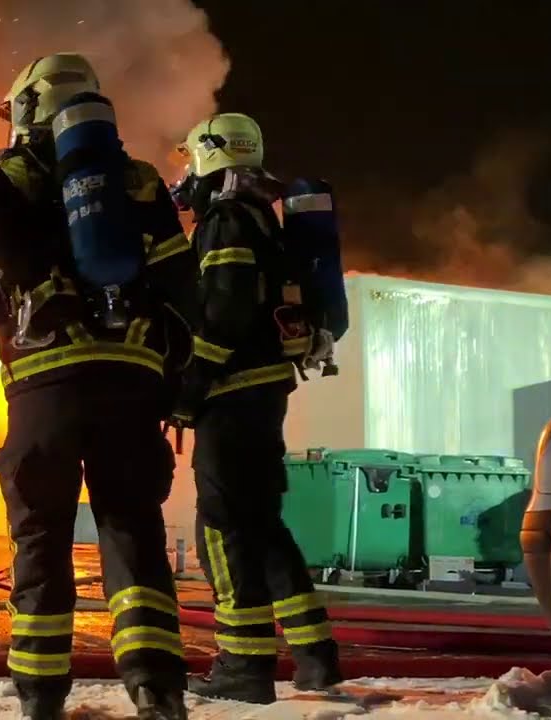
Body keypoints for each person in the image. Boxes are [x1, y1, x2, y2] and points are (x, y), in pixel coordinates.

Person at [0, 53, 199, 720]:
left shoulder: (6, 183)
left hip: (45, 389)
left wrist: (24, 314)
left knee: (41, 537)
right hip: (131, 387)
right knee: (133, 532)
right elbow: (183, 290)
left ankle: (41, 696)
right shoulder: (141, 182)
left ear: (30, 105)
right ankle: (157, 690)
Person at [171, 112, 343, 704]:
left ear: (211, 156)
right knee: (262, 524)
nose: (185, 174)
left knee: (221, 527)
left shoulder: (225, 220)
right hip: (263, 390)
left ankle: (243, 667)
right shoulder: (261, 217)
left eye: (190, 160)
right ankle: (316, 655)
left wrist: (189, 386)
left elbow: (224, 310)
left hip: (232, 390)